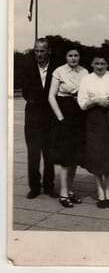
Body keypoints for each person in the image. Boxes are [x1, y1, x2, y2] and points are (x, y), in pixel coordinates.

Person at [78, 51, 109, 209]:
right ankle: (100, 191)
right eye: (97, 64)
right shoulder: (87, 79)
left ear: (107, 65)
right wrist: (96, 101)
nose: (100, 66)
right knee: (97, 157)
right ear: (92, 65)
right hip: (94, 121)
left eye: (103, 64)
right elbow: (81, 102)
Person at [48, 43, 88, 208]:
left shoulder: (85, 72)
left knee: (74, 157)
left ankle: (70, 191)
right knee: (65, 157)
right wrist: (60, 117)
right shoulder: (59, 71)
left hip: (79, 115)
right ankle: (63, 194)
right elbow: (51, 96)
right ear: (66, 57)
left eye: (76, 55)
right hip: (64, 114)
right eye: (70, 55)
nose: (73, 58)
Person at [22, 38, 56, 199]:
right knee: (33, 154)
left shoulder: (56, 69)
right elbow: (26, 93)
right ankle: (34, 187)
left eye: (42, 51)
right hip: (33, 118)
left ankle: (49, 185)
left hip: (50, 119)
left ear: (48, 51)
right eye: (37, 50)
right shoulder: (27, 68)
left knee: (49, 154)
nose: (39, 54)